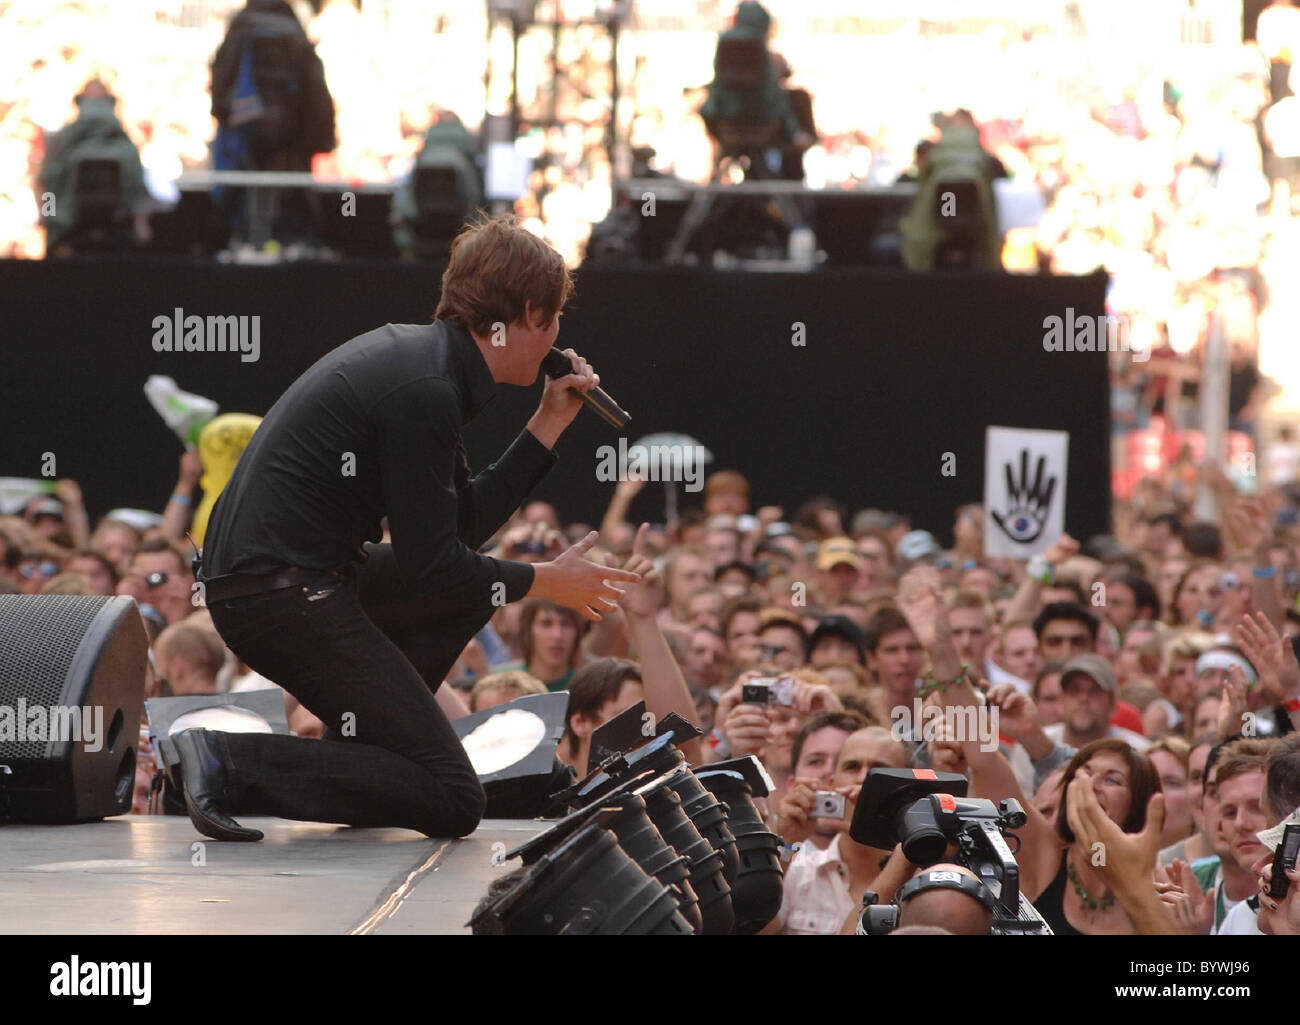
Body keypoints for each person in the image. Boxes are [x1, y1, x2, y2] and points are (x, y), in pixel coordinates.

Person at [182, 214, 640, 842]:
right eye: (556, 318)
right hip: (279, 594)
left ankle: (378, 755)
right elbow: (433, 567)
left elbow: (457, 536)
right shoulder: (426, 387)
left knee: (468, 602)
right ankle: (228, 760)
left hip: (287, 580)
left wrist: (548, 426)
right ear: (530, 315)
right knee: (453, 798)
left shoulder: (428, 365)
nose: (559, 335)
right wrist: (543, 581)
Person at [38, 79, 148, 255]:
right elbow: (138, 190)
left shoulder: (59, 140)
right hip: (112, 233)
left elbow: (48, 186)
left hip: (71, 232)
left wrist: (50, 223)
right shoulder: (127, 144)